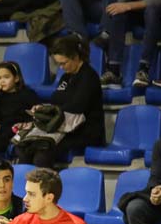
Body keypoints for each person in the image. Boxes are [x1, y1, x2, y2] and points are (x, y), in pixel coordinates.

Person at [15, 35, 104, 168]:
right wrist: (43, 108)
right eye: (59, 64)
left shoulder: (89, 77)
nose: (61, 68)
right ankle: (25, 181)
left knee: (43, 151)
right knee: (24, 148)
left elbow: (77, 106)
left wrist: (52, 110)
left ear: (75, 57)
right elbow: (55, 101)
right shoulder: (66, 77)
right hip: (62, 126)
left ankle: (45, 181)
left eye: (64, 63)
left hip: (84, 131)